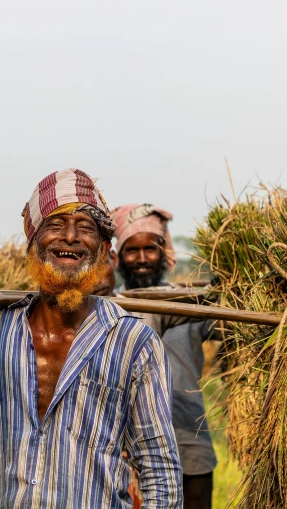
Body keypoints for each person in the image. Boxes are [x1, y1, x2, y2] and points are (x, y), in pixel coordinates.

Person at [0, 170, 183, 508]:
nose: (71, 237)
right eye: (56, 225)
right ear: (33, 242)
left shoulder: (134, 342)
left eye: (86, 228)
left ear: (104, 250)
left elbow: (159, 467)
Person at [111, 204, 218, 509]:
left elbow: (229, 328)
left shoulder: (189, 304)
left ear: (163, 251)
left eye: (151, 248)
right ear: (119, 256)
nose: (142, 258)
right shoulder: (110, 305)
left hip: (188, 429)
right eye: (133, 250)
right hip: (126, 441)